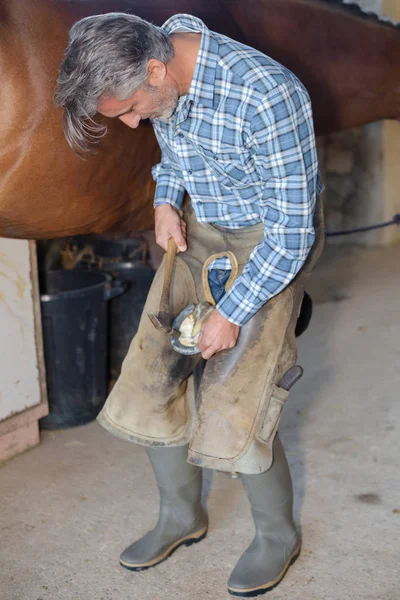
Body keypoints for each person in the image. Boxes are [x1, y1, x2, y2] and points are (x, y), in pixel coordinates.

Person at [55, 12, 324, 597]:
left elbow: (292, 233)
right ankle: (182, 517)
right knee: (153, 375)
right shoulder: (162, 61)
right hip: (201, 227)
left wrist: (232, 313)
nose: (131, 124)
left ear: (156, 68)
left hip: (269, 240)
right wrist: (165, 198)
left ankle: (277, 535)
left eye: (130, 108)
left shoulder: (267, 95)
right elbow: (175, 147)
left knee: (237, 395)